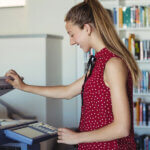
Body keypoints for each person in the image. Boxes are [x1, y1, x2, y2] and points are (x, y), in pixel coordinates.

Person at [5, 0, 141, 149]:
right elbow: (67, 91)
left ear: (87, 28)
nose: (71, 42)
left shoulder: (113, 64)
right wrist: (23, 86)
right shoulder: (98, 63)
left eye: (72, 34)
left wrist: (77, 137)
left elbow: (122, 127)